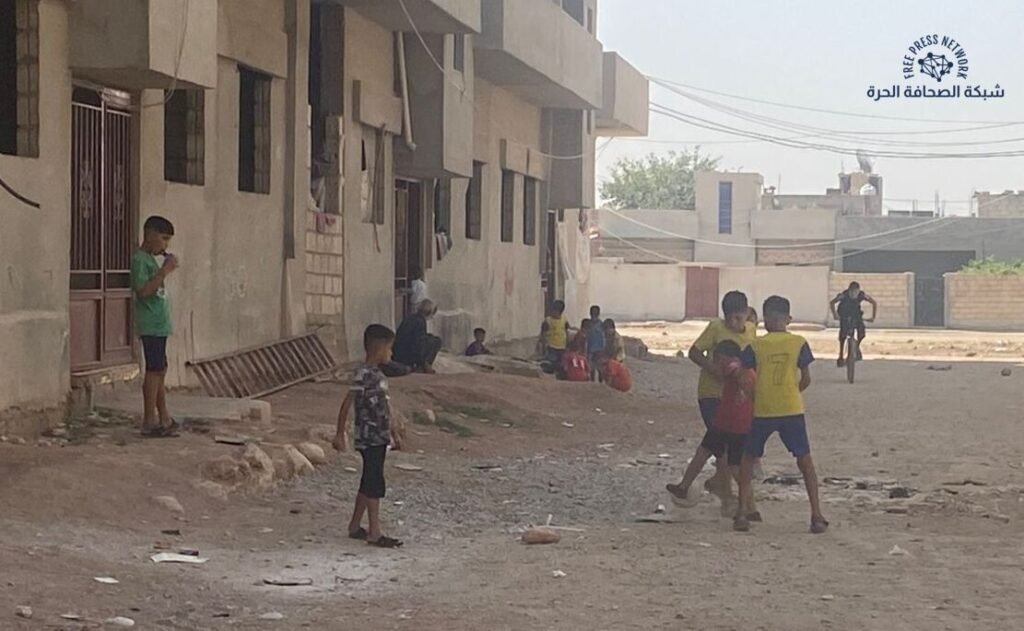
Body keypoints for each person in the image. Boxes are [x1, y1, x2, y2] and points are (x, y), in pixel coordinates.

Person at [736, 296, 828, 534]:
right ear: (788, 319)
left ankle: (741, 512)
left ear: (764, 320)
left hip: (763, 409)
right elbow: (806, 378)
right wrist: (792, 392)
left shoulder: (755, 346)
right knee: (804, 460)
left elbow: (744, 377)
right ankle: (816, 514)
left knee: (748, 458)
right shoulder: (798, 343)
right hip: (791, 408)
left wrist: (752, 395)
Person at [667, 340, 759, 521]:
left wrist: (735, 375)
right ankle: (751, 507)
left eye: (716, 358)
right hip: (740, 423)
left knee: (708, 454)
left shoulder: (732, 365)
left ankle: (684, 487)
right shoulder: (749, 369)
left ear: (722, 356)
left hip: (726, 423)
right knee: (732, 465)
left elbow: (732, 370)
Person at [332, 324, 404, 549]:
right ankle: (374, 532)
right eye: (389, 348)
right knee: (374, 483)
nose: (391, 352)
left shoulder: (377, 375)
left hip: (379, 437)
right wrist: (339, 433)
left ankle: (355, 526)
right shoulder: (364, 375)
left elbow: (386, 407)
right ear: (379, 348)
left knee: (368, 480)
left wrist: (394, 432)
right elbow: (348, 402)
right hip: (369, 437)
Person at [687, 291, 756, 502]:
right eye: (729, 319)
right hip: (711, 393)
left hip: (736, 398)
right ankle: (729, 496)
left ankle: (719, 483)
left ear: (746, 313)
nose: (733, 323)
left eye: (738, 318)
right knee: (722, 447)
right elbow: (694, 352)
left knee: (725, 444)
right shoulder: (715, 328)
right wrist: (714, 370)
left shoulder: (752, 331)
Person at [131, 216, 179, 438]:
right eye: (164, 238)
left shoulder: (150, 259)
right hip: (150, 324)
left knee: (160, 370)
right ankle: (149, 419)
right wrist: (164, 271)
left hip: (160, 324)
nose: (165, 245)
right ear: (150, 234)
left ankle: (164, 417)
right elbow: (143, 290)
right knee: (154, 370)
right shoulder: (140, 260)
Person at [829, 281, 877, 367]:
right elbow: (832, 302)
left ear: (858, 291)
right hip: (844, 313)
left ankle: (856, 347)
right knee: (843, 334)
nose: (853, 294)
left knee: (861, 332)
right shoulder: (844, 295)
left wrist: (873, 317)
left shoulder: (862, 295)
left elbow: (874, 303)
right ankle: (841, 355)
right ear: (849, 290)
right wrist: (835, 315)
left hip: (856, 314)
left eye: (855, 292)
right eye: (852, 292)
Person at [393, 299, 443, 373]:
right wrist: (422, 361)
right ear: (429, 313)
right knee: (437, 341)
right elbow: (419, 344)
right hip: (407, 354)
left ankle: (422, 364)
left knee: (431, 338)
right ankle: (425, 364)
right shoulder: (420, 321)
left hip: (399, 352)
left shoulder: (411, 317)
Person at [539, 300, 570, 374]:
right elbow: (543, 334)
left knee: (560, 365)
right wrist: (543, 345)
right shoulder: (548, 320)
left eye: (555, 311)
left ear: (560, 312)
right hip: (551, 346)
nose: (553, 313)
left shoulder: (564, 320)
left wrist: (567, 344)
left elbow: (566, 332)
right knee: (550, 364)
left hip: (562, 347)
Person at [587, 305, 606, 379]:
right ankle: (593, 380)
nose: (593, 316)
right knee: (592, 367)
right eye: (592, 314)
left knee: (599, 366)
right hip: (591, 348)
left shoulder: (602, 325)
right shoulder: (589, 324)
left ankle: (600, 380)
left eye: (595, 314)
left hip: (599, 349)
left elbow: (604, 338)